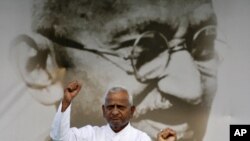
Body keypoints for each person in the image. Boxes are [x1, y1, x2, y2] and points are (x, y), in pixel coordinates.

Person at [10, 0, 223, 140]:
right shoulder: (90, 135)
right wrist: (66, 103)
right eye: (145, 52)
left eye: (203, 43)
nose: (192, 89)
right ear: (40, 68)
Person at [50, 80, 176, 141]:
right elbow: (59, 138)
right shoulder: (91, 134)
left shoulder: (140, 138)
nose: (115, 112)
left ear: (132, 111)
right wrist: (66, 102)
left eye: (120, 107)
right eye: (110, 107)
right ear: (103, 111)